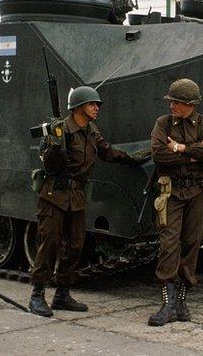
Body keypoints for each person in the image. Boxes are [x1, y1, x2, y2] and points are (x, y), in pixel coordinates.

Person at [28, 85, 143, 317]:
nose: (96, 108)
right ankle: (37, 295)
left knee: (75, 245)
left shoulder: (91, 130)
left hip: (77, 198)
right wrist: (55, 145)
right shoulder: (60, 130)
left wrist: (135, 157)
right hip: (54, 197)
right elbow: (49, 165)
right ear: (79, 106)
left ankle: (62, 294)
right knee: (49, 244)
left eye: (97, 105)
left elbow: (107, 151)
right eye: (93, 104)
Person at [148, 79, 203, 327]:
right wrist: (193, 153)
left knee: (192, 243)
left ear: (189, 105)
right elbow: (159, 154)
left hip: (197, 192)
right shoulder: (163, 123)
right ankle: (167, 303)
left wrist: (179, 148)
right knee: (169, 243)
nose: (172, 106)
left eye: (176, 102)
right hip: (172, 192)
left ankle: (181, 300)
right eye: (171, 102)